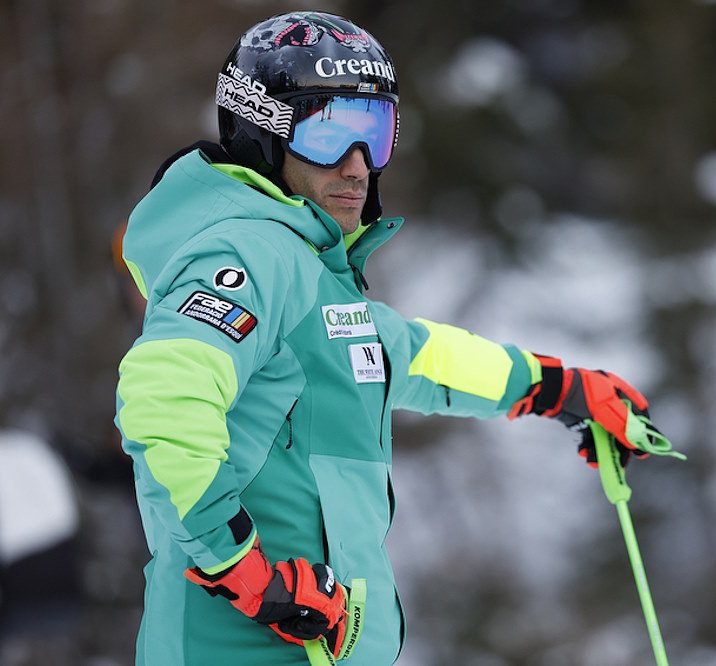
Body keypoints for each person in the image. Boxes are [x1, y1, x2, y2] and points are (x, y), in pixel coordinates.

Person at [115, 11, 667, 666]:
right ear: (261, 131)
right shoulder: (247, 252)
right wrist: (240, 569)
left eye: (374, 134)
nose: (357, 167)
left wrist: (556, 387)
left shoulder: (313, 273)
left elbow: (417, 355)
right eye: (329, 134)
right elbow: (164, 399)